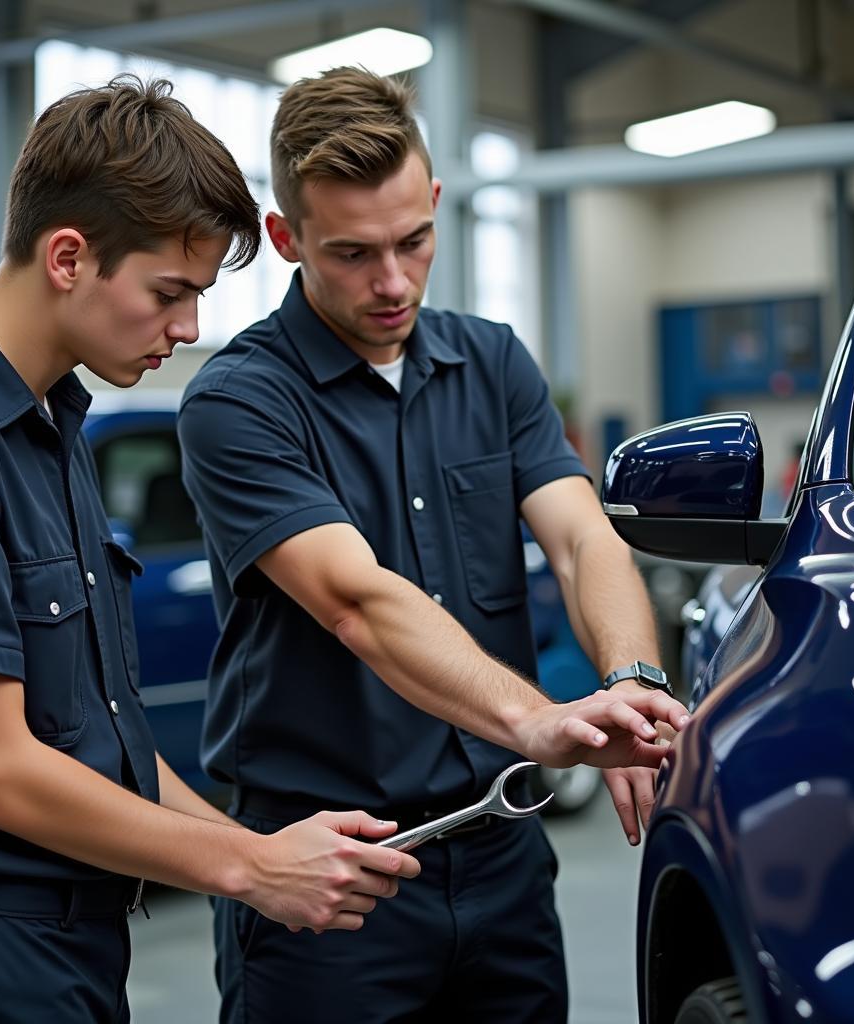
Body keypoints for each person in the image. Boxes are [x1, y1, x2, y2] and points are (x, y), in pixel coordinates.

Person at [0, 76, 419, 1024]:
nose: (189, 328)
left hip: (64, 944)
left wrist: (260, 854)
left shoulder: (51, 420)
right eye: (170, 292)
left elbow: (100, 742)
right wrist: (252, 865)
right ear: (68, 256)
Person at [178, 67, 690, 1023]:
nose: (392, 281)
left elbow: (582, 539)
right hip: (332, 877)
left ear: (438, 203)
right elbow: (355, 602)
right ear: (286, 239)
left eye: (414, 242)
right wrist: (539, 720)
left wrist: (633, 681)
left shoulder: (492, 361)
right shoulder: (240, 402)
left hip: (502, 854)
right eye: (352, 253)